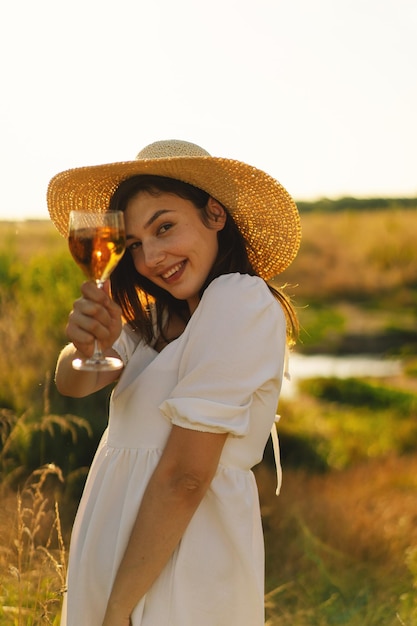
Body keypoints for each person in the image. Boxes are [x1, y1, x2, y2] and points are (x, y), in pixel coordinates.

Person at [47, 139, 301, 626]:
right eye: (136, 244)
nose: (152, 258)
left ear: (215, 215)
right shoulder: (153, 319)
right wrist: (81, 348)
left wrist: (118, 610)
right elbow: (72, 384)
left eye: (165, 227)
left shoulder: (238, 301)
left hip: (182, 562)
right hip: (117, 554)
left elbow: (186, 477)